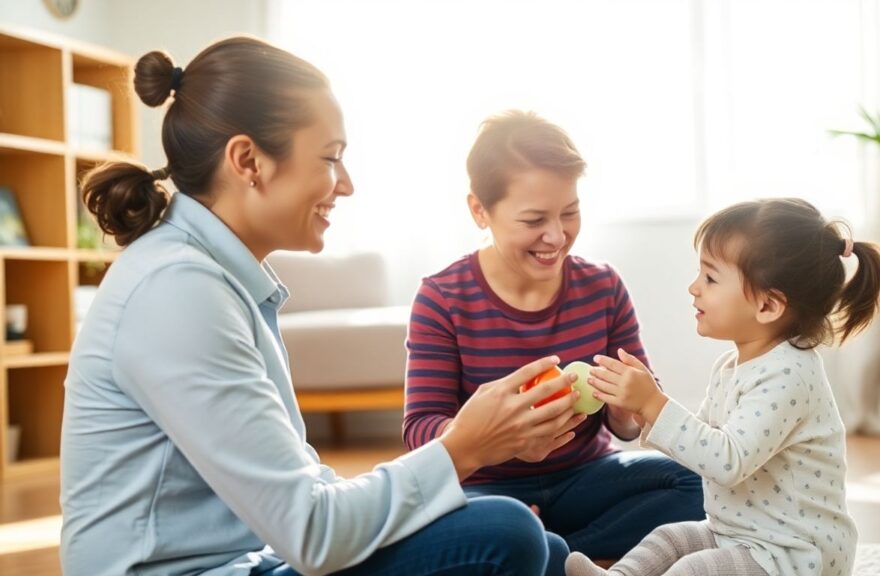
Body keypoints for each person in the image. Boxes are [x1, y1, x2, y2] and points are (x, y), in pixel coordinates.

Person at [60, 37, 579, 576]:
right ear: (248, 161)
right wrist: (465, 447)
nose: (346, 185)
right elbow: (313, 532)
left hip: (249, 561)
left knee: (543, 546)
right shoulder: (177, 292)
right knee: (506, 532)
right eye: (331, 158)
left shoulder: (212, 278)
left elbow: (307, 498)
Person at [403, 110, 705, 562]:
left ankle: (554, 554)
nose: (557, 236)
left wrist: (628, 406)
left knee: (694, 481)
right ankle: (531, 541)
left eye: (570, 213)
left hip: (586, 475)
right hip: (487, 486)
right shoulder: (442, 297)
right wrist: (499, 435)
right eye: (533, 220)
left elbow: (629, 424)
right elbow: (420, 429)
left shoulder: (602, 286)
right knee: (468, 522)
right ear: (480, 210)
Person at [564, 198, 880, 576]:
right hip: (740, 533)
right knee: (670, 538)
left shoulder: (789, 376)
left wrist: (654, 403)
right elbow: (701, 441)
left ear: (768, 306)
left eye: (710, 278)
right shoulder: (731, 366)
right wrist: (642, 408)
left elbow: (726, 462)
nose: (693, 288)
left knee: (694, 569)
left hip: (793, 554)